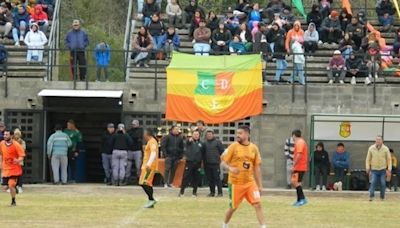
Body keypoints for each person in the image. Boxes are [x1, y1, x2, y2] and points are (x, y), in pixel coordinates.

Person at [221, 125, 266, 228]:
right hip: (236, 183)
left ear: (247, 134)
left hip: (250, 182)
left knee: (258, 204)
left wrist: (260, 185)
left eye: (240, 133)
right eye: (237, 133)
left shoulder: (254, 148)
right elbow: (223, 163)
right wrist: (230, 168)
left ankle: (263, 226)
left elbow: (257, 167)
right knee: (233, 207)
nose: (238, 135)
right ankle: (225, 224)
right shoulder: (233, 146)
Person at [0, 129, 25, 206]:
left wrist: (17, 160)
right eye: (4, 134)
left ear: (11, 136)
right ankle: (15, 188)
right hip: (6, 168)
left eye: (6, 135)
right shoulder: (1, 144)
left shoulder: (16, 145)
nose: (5, 136)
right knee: (4, 187)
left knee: (11, 184)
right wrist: (1, 163)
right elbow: (1, 154)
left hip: (14, 169)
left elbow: (22, 156)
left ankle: (13, 201)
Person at [366, 135, 392, 201]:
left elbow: (389, 159)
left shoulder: (386, 149)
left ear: (382, 141)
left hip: (383, 170)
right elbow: (368, 159)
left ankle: (382, 197)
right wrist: (367, 167)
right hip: (374, 170)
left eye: (379, 140)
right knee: (373, 182)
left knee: (383, 183)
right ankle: (371, 197)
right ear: (375, 140)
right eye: (377, 140)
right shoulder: (371, 148)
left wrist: (389, 169)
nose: (378, 141)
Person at [179, 130, 204, 197]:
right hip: (189, 162)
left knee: (196, 178)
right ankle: (181, 192)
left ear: (199, 135)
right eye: (194, 134)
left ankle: (194, 192)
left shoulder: (201, 143)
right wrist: (189, 140)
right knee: (185, 177)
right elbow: (186, 142)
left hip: (197, 163)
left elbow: (203, 153)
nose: (196, 136)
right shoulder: (189, 142)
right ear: (192, 135)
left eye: (197, 134)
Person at [139, 128, 159, 208]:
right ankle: (150, 200)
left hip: (149, 166)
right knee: (145, 183)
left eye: (144, 133)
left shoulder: (152, 142)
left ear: (147, 134)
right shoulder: (150, 142)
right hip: (146, 165)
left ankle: (151, 199)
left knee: (144, 182)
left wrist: (149, 164)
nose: (143, 135)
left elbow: (153, 153)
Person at [203, 128, 225, 197]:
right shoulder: (204, 143)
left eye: (210, 134)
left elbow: (222, 151)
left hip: (215, 163)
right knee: (210, 179)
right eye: (207, 134)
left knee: (217, 178)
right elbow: (202, 152)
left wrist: (218, 158)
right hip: (207, 163)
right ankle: (212, 192)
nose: (209, 135)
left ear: (213, 135)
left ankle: (220, 193)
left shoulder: (217, 142)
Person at [291, 129, 308, 206]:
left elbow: (299, 154)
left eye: (292, 136)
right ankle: (299, 199)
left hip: (300, 167)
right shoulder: (300, 142)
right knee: (296, 182)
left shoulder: (300, 142)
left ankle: (302, 199)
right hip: (299, 166)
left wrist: (294, 164)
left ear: (294, 135)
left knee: (295, 182)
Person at [126, 120, 143, 185]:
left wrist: (131, 137)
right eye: (133, 124)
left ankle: (139, 179)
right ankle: (127, 179)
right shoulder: (129, 131)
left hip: (137, 150)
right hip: (130, 150)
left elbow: (137, 136)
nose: (133, 125)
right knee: (128, 165)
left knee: (138, 166)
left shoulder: (140, 130)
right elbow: (128, 137)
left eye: (135, 124)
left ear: (138, 124)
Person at [13, 128, 26, 193]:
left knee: (19, 174)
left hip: (19, 160)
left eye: (18, 134)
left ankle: (20, 186)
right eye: (15, 134)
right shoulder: (11, 141)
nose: (17, 135)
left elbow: (22, 150)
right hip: (12, 160)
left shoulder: (22, 142)